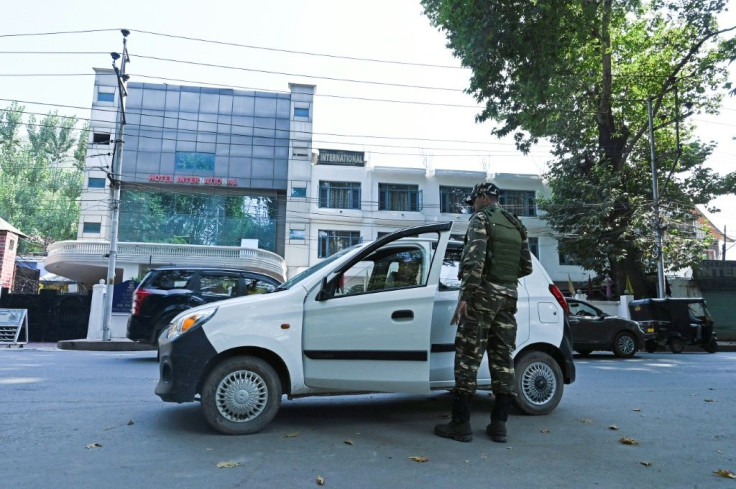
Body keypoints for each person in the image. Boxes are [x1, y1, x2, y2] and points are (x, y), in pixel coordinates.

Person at [434, 182, 533, 443]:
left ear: (483, 197)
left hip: (482, 295)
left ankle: (460, 423)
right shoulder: (516, 224)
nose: (473, 206)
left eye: (474, 201)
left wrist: (466, 295)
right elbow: (526, 266)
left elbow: (474, 260)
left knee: (468, 356)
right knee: (502, 357)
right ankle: (499, 424)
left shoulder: (481, 219)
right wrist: (503, 282)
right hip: (509, 297)